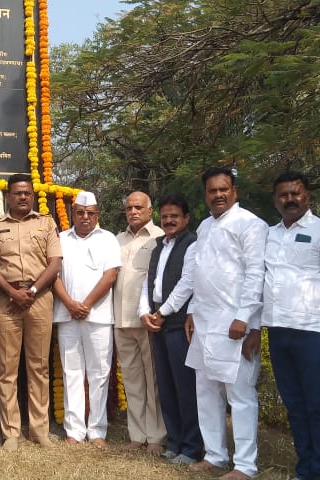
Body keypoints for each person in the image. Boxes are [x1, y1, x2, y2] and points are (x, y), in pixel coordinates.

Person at [260, 171, 320, 480]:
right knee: (295, 406)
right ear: (275, 200)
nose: (290, 199)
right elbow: (260, 282)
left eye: (295, 193)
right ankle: (305, 469)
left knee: (319, 406)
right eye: (283, 195)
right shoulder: (268, 234)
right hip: (278, 330)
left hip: (313, 332)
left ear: (307, 196)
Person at [186, 167, 266, 480]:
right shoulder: (205, 227)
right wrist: (192, 310)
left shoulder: (251, 224)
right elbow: (200, 273)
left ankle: (245, 465)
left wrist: (245, 319)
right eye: (212, 190)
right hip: (205, 321)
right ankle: (215, 455)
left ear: (234, 191)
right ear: (205, 194)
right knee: (206, 391)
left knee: (241, 395)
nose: (218, 195)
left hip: (235, 323)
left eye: (223, 189)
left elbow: (255, 274)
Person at [0, 173, 62, 450]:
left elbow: (54, 264)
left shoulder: (46, 222)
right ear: (8, 196)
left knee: (38, 367)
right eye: (17, 193)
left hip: (39, 299)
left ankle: (39, 429)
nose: (23, 197)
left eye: (27, 193)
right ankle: (11, 433)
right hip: (6, 299)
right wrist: (12, 292)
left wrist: (30, 292)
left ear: (32, 195)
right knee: (7, 369)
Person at [138, 194, 203, 465]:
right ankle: (174, 442)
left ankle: (191, 448)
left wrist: (161, 313)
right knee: (166, 386)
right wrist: (144, 312)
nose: (169, 220)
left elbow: (187, 283)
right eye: (165, 217)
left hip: (177, 325)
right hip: (157, 324)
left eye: (174, 216)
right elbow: (148, 283)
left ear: (186, 218)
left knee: (184, 386)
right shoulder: (157, 247)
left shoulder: (192, 244)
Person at [52, 191, 121, 448]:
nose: (85, 217)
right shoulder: (60, 239)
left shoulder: (108, 239)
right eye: (80, 212)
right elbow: (54, 275)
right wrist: (70, 304)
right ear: (73, 213)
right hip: (68, 315)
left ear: (97, 215)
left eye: (90, 213)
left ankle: (97, 430)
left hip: (99, 317)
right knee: (71, 372)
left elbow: (110, 275)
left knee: (99, 373)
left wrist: (86, 305)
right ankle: (74, 430)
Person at [113, 191, 167, 454]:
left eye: (138, 207)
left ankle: (156, 437)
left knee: (153, 381)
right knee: (132, 380)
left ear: (150, 210)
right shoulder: (116, 240)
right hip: (120, 319)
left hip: (147, 320)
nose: (133, 212)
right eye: (129, 208)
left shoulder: (160, 237)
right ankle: (137, 435)